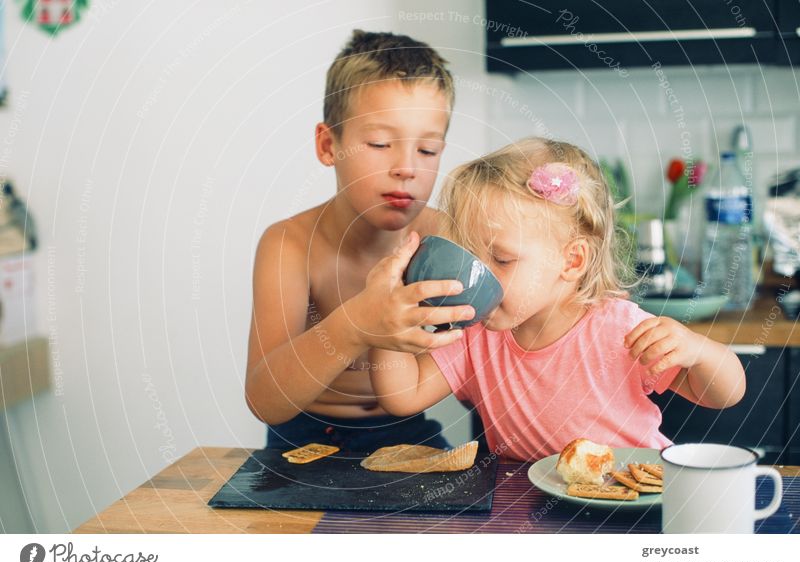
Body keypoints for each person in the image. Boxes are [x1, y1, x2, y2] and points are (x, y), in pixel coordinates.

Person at [368, 137, 746, 461]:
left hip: (631, 498)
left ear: (572, 260)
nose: (476, 274)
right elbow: (403, 396)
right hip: (528, 507)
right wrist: (385, 318)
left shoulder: (618, 329)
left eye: (501, 259)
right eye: (469, 254)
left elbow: (722, 396)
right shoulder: (477, 332)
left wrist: (699, 351)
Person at [245, 30, 469, 451]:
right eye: (381, 144)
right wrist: (355, 325)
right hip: (302, 436)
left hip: (407, 430)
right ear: (330, 145)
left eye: (427, 150)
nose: (406, 167)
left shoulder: (447, 236)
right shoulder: (289, 246)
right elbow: (264, 400)